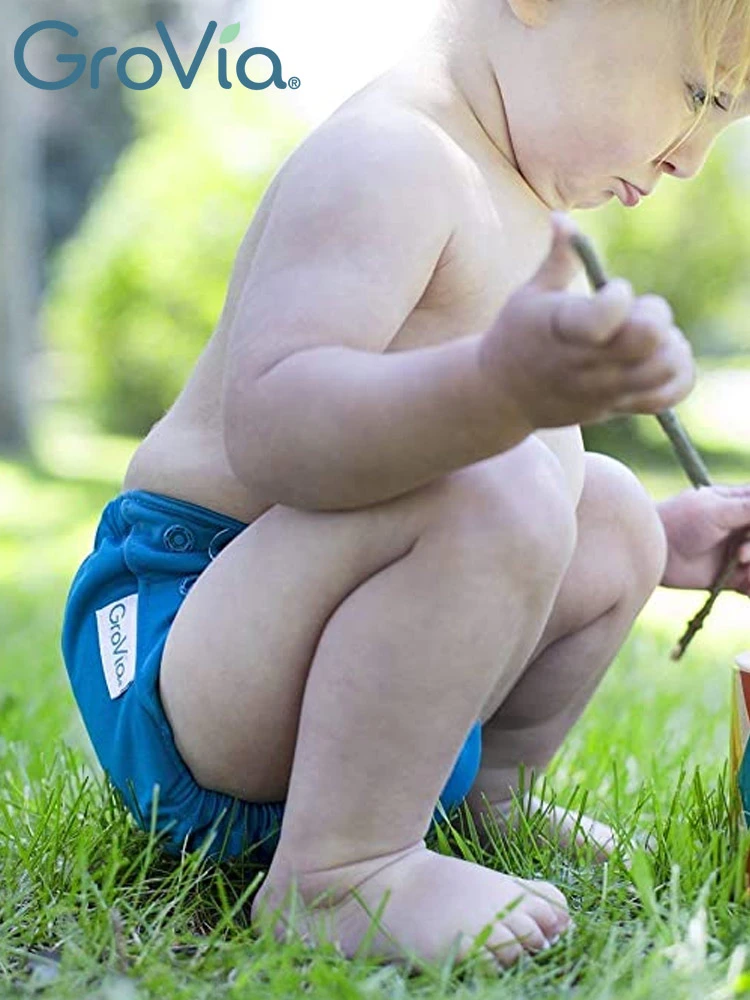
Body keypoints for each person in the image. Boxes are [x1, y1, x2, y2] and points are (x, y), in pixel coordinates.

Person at [60, 0, 750, 973]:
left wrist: (665, 539)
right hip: (187, 641)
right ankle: (337, 872)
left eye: (730, 120)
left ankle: (482, 800)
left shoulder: (522, 199)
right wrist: (491, 389)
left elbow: (528, 476)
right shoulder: (393, 155)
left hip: (310, 663)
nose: (692, 157)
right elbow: (276, 432)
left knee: (611, 509)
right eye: (699, 93)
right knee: (485, 474)